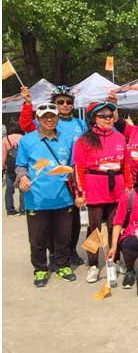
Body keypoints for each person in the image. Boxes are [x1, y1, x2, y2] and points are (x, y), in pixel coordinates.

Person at [19, 85, 87, 266]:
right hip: (46, 185)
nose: (65, 105)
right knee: (46, 227)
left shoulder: (80, 124)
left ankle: (70, 252)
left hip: (71, 180)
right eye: (60, 102)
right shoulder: (45, 122)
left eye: (68, 102)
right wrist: (27, 103)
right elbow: (26, 125)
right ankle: (53, 256)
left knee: (71, 224)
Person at [15, 103, 78, 287]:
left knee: (63, 237)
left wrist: (73, 177)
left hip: (63, 198)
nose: (49, 120)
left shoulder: (68, 139)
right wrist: (23, 178)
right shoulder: (27, 140)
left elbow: (73, 166)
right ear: (37, 119)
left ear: (57, 118)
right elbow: (20, 166)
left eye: (52, 116)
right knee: (37, 239)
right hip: (36, 200)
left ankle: (62, 265)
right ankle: (40, 269)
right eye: (44, 117)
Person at [73, 102, 132, 283]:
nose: (108, 119)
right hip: (95, 188)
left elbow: (126, 164)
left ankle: (115, 259)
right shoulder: (84, 140)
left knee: (116, 226)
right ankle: (93, 265)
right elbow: (78, 168)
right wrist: (80, 192)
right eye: (103, 116)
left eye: (110, 115)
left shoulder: (120, 137)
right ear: (93, 119)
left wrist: (129, 186)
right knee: (94, 228)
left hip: (116, 188)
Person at [3, 124, 24, 216]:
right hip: (22, 167)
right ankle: (23, 209)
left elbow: (3, 155)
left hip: (10, 168)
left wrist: (2, 167)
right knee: (23, 189)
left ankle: (10, 210)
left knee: (9, 189)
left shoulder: (5, 139)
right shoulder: (23, 138)